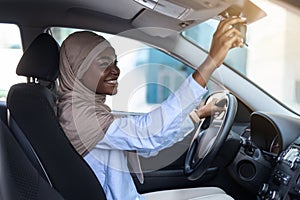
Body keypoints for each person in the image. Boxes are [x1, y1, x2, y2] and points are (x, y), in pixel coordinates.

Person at [57, 17, 245, 200]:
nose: (115, 70)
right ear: (78, 70)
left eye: (115, 62)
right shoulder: (81, 117)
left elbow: (145, 142)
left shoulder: (85, 109)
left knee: (219, 194)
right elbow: (149, 134)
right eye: (103, 63)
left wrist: (197, 115)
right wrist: (211, 62)